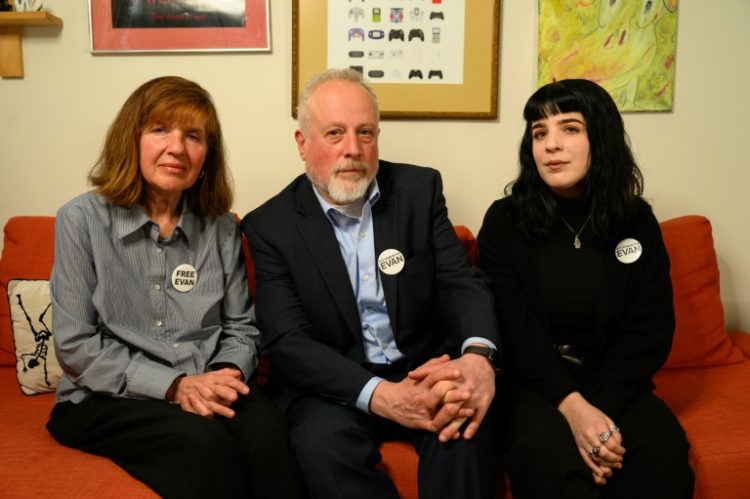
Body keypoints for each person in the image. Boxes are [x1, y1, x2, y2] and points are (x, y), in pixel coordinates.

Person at [241, 68, 501, 499]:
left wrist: (477, 356)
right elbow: (287, 340)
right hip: (333, 387)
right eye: (335, 134)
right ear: (302, 144)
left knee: (465, 430)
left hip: (424, 369)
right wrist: (379, 395)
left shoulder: (419, 190)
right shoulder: (271, 226)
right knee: (321, 446)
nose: (353, 150)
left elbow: (461, 283)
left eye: (365, 133)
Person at [46, 76, 305, 499]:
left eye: (193, 136)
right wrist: (174, 386)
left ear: (207, 156)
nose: (177, 148)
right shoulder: (81, 220)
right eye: (160, 129)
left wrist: (222, 376)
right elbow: (76, 346)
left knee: (269, 434)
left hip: (207, 381)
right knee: (204, 445)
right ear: (132, 139)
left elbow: (241, 329)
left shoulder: (222, 228)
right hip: (106, 397)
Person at [477, 79, 694, 498]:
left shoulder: (636, 221)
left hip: (615, 383)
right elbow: (512, 328)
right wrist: (573, 408)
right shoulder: (505, 222)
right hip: (534, 386)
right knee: (550, 464)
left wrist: (599, 416)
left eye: (570, 128)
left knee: (661, 459)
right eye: (539, 133)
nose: (551, 145)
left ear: (602, 136)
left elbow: (650, 329)